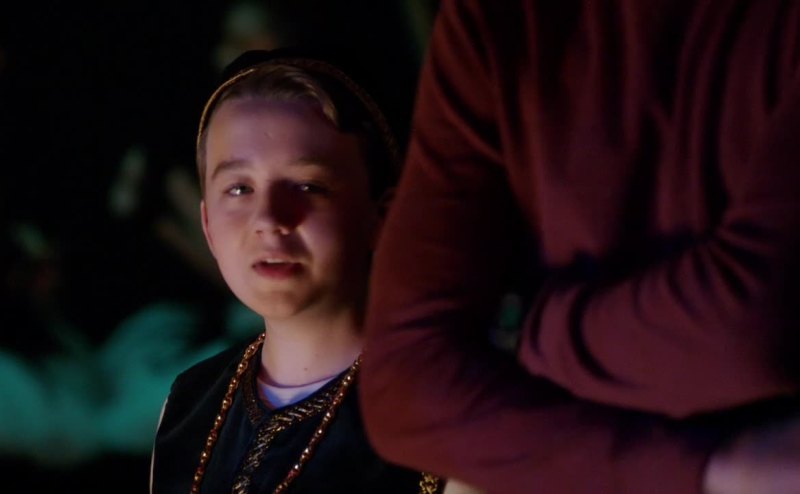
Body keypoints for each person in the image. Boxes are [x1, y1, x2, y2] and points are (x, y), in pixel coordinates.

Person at [360, 0, 800, 492]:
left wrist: (524, 336)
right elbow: (403, 386)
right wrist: (717, 468)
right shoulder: (494, 21)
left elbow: (748, 332)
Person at [150, 49, 448, 493]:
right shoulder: (188, 405)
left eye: (309, 186)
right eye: (239, 189)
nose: (269, 219)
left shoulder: (440, 410)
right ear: (208, 224)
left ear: (381, 217)